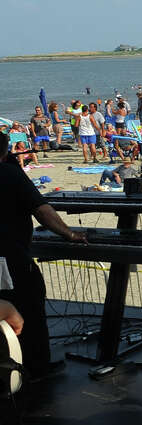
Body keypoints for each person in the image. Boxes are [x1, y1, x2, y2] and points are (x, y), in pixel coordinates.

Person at [0, 131, 85, 381]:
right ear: (5, 152)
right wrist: (70, 235)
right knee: (30, 307)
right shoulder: (10, 174)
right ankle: (36, 368)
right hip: (10, 257)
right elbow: (43, 211)